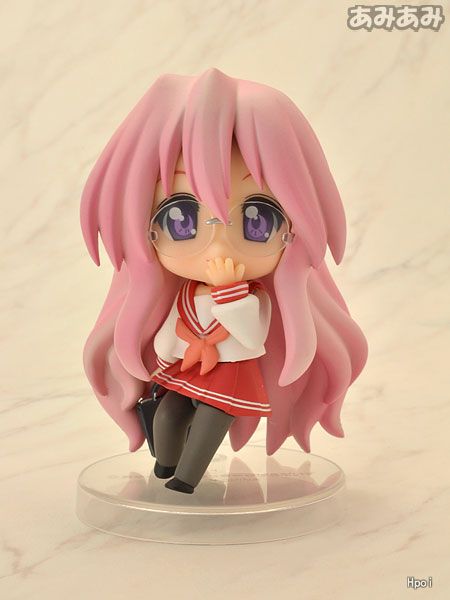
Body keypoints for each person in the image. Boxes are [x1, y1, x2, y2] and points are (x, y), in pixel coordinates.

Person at [80, 68, 368, 494]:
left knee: (211, 423)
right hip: (187, 371)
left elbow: (251, 337)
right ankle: (165, 464)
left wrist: (232, 294)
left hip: (232, 376)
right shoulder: (184, 295)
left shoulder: (253, 298)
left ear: (294, 229)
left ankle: (185, 480)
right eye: (180, 220)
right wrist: (163, 359)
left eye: (257, 221)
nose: (218, 247)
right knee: (168, 415)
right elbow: (170, 333)